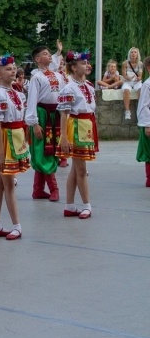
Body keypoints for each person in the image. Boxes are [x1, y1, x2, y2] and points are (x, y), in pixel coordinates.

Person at [0, 55, 30, 240]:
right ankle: (16, 225)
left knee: (1, 183)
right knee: (8, 183)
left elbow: (21, 121)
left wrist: (24, 139)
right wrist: (1, 153)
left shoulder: (18, 94)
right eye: (8, 68)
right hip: (4, 138)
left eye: (14, 68)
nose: (13, 70)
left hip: (16, 137)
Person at [57, 51, 97, 219]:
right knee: (81, 169)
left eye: (87, 62)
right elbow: (64, 114)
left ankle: (69, 204)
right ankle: (86, 204)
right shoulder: (69, 88)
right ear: (73, 67)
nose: (87, 65)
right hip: (76, 127)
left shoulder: (88, 86)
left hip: (86, 126)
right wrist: (64, 138)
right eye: (82, 63)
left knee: (75, 168)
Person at [26, 46, 67, 201]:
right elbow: (32, 100)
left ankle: (38, 190)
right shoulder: (36, 77)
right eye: (45, 54)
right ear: (37, 59)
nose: (49, 55)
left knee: (51, 149)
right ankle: (53, 188)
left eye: (49, 53)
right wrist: (34, 123)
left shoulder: (58, 75)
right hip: (43, 114)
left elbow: (62, 95)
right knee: (42, 149)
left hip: (56, 114)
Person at [136, 56, 150, 187]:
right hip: (149, 122)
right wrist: (147, 125)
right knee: (149, 152)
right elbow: (144, 105)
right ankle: (149, 178)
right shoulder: (147, 84)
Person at [122, 47, 144, 120]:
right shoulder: (125, 63)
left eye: (135, 52)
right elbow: (124, 75)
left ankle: (141, 110)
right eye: (132, 52)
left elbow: (140, 75)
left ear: (137, 54)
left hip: (136, 81)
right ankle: (127, 111)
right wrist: (129, 78)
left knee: (141, 90)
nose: (133, 54)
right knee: (126, 90)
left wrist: (138, 78)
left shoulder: (140, 63)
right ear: (129, 54)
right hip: (127, 81)